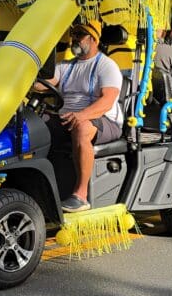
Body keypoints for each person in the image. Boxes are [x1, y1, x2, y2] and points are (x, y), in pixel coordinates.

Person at [39, 20, 123, 213]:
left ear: (93, 39)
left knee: (82, 127)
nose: (74, 39)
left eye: (79, 35)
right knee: (32, 124)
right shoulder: (65, 66)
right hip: (69, 117)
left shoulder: (106, 66)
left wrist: (81, 115)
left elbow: (107, 101)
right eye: (73, 34)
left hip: (104, 119)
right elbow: (44, 84)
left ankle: (81, 195)